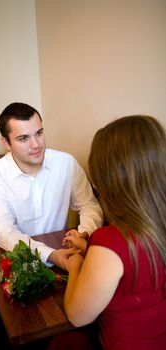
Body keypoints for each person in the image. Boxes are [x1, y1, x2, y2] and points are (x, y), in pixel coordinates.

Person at [58, 115, 166, 350]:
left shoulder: (111, 241)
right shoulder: (158, 224)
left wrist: (76, 265)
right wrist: (90, 249)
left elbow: (78, 316)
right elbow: (138, 263)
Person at [0, 102, 103, 269]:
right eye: (23, 138)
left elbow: (89, 205)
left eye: (39, 133)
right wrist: (50, 255)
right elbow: (4, 232)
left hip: (68, 253)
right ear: (6, 143)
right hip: (21, 262)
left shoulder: (66, 163)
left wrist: (84, 233)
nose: (36, 144)